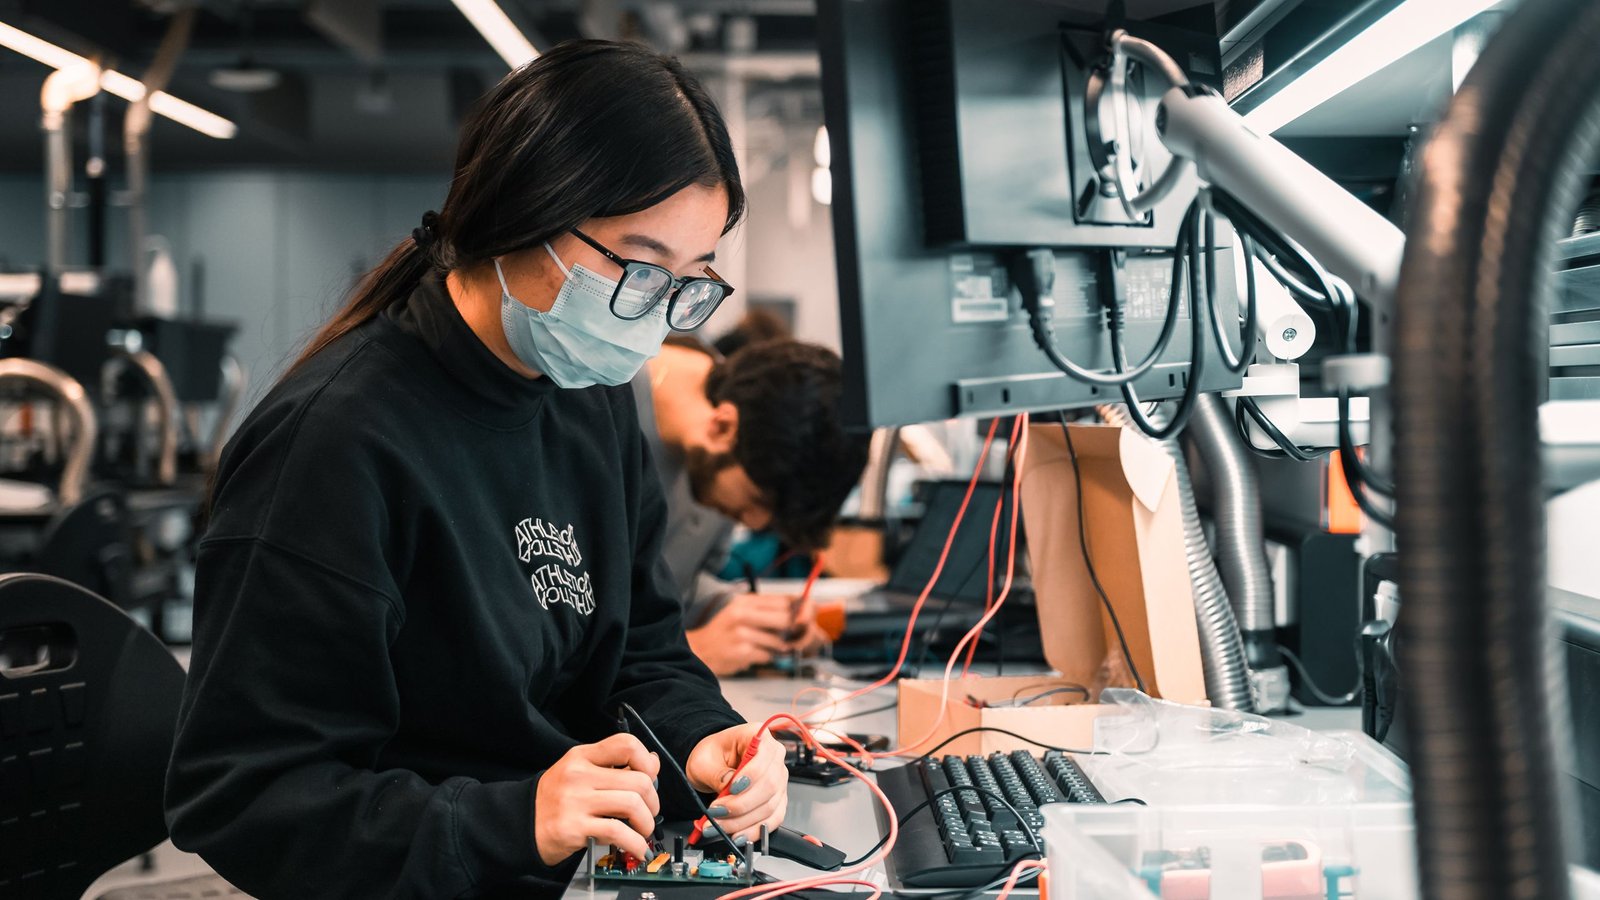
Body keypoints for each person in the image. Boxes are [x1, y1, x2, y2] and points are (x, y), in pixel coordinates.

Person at [164, 41, 789, 899]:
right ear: (522, 212)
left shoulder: (584, 389)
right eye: (638, 268)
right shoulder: (334, 446)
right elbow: (241, 796)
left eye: (688, 283)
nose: (656, 319)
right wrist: (515, 819)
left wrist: (705, 739)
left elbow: (642, 644)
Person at [635, 337, 867, 675]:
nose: (755, 523)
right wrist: (693, 650)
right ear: (723, 427)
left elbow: (665, 586)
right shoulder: (592, 395)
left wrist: (741, 614)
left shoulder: (732, 451)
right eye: (758, 500)